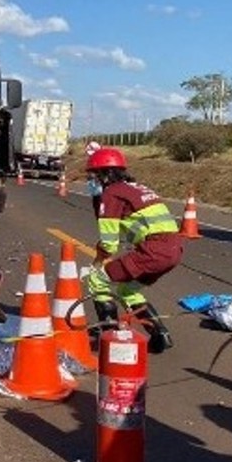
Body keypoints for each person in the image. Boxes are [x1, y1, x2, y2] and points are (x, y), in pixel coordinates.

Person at [85, 147, 183, 353]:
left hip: (154, 250)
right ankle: (160, 336)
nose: (91, 181)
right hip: (173, 250)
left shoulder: (112, 193)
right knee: (128, 290)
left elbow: (109, 244)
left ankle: (108, 335)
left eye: (93, 176)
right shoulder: (136, 188)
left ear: (104, 174)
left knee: (97, 279)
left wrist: (96, 264)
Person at [84, 141, 104, 216]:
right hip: (94, 190)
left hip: (101, 190)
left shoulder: (102, 160)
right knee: (97, 210)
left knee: (101, 212)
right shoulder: (90, 160)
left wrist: (96, 176)